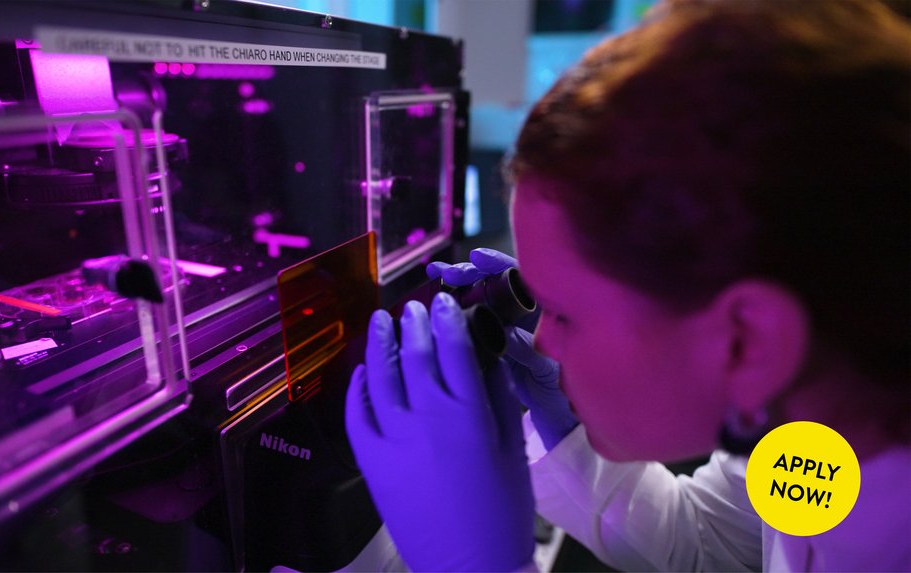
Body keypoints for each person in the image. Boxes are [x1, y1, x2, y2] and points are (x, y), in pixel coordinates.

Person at [344, 0, 911, 571]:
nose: (542, 341)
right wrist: (566, 426)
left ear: (747, 340)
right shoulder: (820, 419)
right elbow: (714, 545)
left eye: (565, 313)